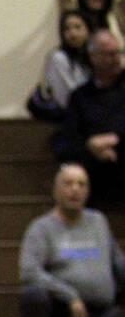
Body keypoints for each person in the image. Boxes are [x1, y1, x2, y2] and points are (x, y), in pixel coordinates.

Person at [19, 162, 125, 317]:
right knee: (32, 294)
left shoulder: (98, 221)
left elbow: (118, 263)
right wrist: (70, 295)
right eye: (68, 183)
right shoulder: (42, 228)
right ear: (55, 190)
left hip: (99, 314)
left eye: (81, 184)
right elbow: (29, 272)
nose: (75, 189)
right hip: (61, 314)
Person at [52, 29, 125, 204]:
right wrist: (90, 145)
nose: (116, 59)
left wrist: (116, 138)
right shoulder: (81, 97)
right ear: (93, 57)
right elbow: (69, 136)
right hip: (94, 170)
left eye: (118, 53)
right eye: (109, 54)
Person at [28, 10, 92, 122]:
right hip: (69, 119)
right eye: (67, 29)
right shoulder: (58, 58)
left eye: (78, 27)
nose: (73, 33)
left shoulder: (90, 57)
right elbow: (68, 97)